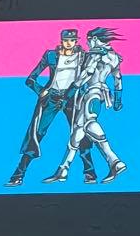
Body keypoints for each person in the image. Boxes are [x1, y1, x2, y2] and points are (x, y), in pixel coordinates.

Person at [6, 28, 96, 186]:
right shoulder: (51, 55)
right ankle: (18, 175)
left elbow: (94, 70)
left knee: (81, 133)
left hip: (73, 99)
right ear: (62, 41)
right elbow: (30, 79)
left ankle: (90, 173)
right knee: (37, 133)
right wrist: (40, 91)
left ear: (76, 41)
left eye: (72, 40)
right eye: (66, 40)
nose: (69, 43)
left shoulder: (84, 57)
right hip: (52, 98)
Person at [44, 27, 126, 184]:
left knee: (89, 123)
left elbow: (87, 73)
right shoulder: (114, 57)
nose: (87, 44)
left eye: (88, 41)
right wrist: (117, 100)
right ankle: (63, 169)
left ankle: (114, 161)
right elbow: (118, 80)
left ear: (94, 39)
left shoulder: (95, 54)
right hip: (100, 94)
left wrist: (70, 91)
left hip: (91, 93)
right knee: (77, 131)